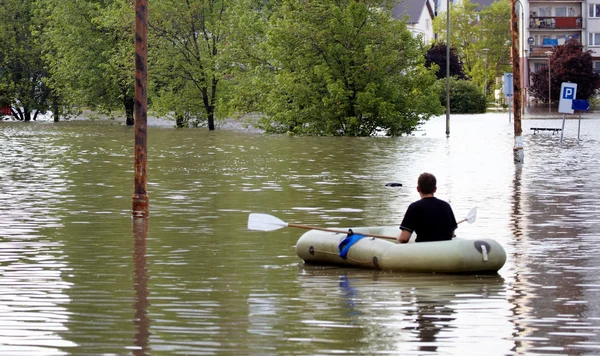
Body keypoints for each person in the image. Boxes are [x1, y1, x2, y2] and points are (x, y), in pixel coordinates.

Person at [397, 173, 457, 243]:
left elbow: (404, 238)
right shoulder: (446, 206)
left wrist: (398, 237)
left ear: (418, 189)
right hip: (445, 250)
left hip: (423, 250)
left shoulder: (414, 207)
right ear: (435, 189)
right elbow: (452, 234)